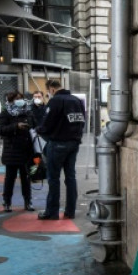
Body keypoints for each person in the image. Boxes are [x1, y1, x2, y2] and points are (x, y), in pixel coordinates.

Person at [35, 79, 85, 220]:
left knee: (53, 179)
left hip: (58, 143)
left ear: (51, 89)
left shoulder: (56, 101)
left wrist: (39, 129)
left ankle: (52, 212)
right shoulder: (76, 100)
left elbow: (48, 122)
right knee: (70, 177)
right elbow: (82, 120)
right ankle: (70, 211)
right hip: (73, 143)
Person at [0, 91, 35, 212]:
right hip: (11, 150)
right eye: (16, 99)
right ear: (11, 101)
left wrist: (30, 126)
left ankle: (27, 201)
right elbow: (1, 130)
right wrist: (16, 126)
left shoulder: (28, 112)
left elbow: (35, 125)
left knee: (26, 178)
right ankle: (7, 201)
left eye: (21, 98)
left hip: (26, 149)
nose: (20, 101)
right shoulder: (6, 112)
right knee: (10, 178)